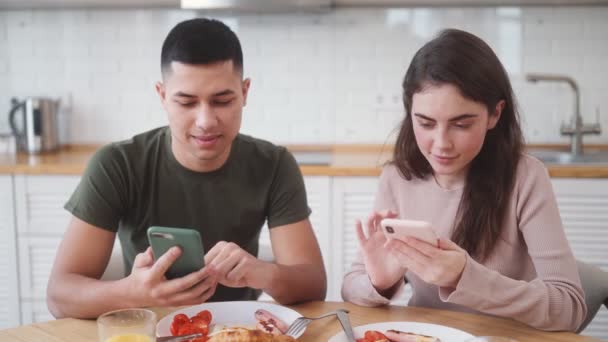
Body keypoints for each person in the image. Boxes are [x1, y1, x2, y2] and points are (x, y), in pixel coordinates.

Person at [47, 18, 326, 319]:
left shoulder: (274, 164)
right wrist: (132, 292)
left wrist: (265, 274)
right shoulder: (117, 165)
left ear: (245, 92)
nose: (205, 121)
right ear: (163, 95)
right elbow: (59, 296)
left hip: (241, 334)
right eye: (187, 102)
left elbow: (314, 286)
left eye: (222, 101)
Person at [341, 29, 587, 332]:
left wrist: (464, 277)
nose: (441, 143)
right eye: (426, 123)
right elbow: (350, 287)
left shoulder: (526, 177)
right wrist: (379, 282)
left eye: (461, 124)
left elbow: (569, 306)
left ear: (495, 114)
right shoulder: (397, 177)